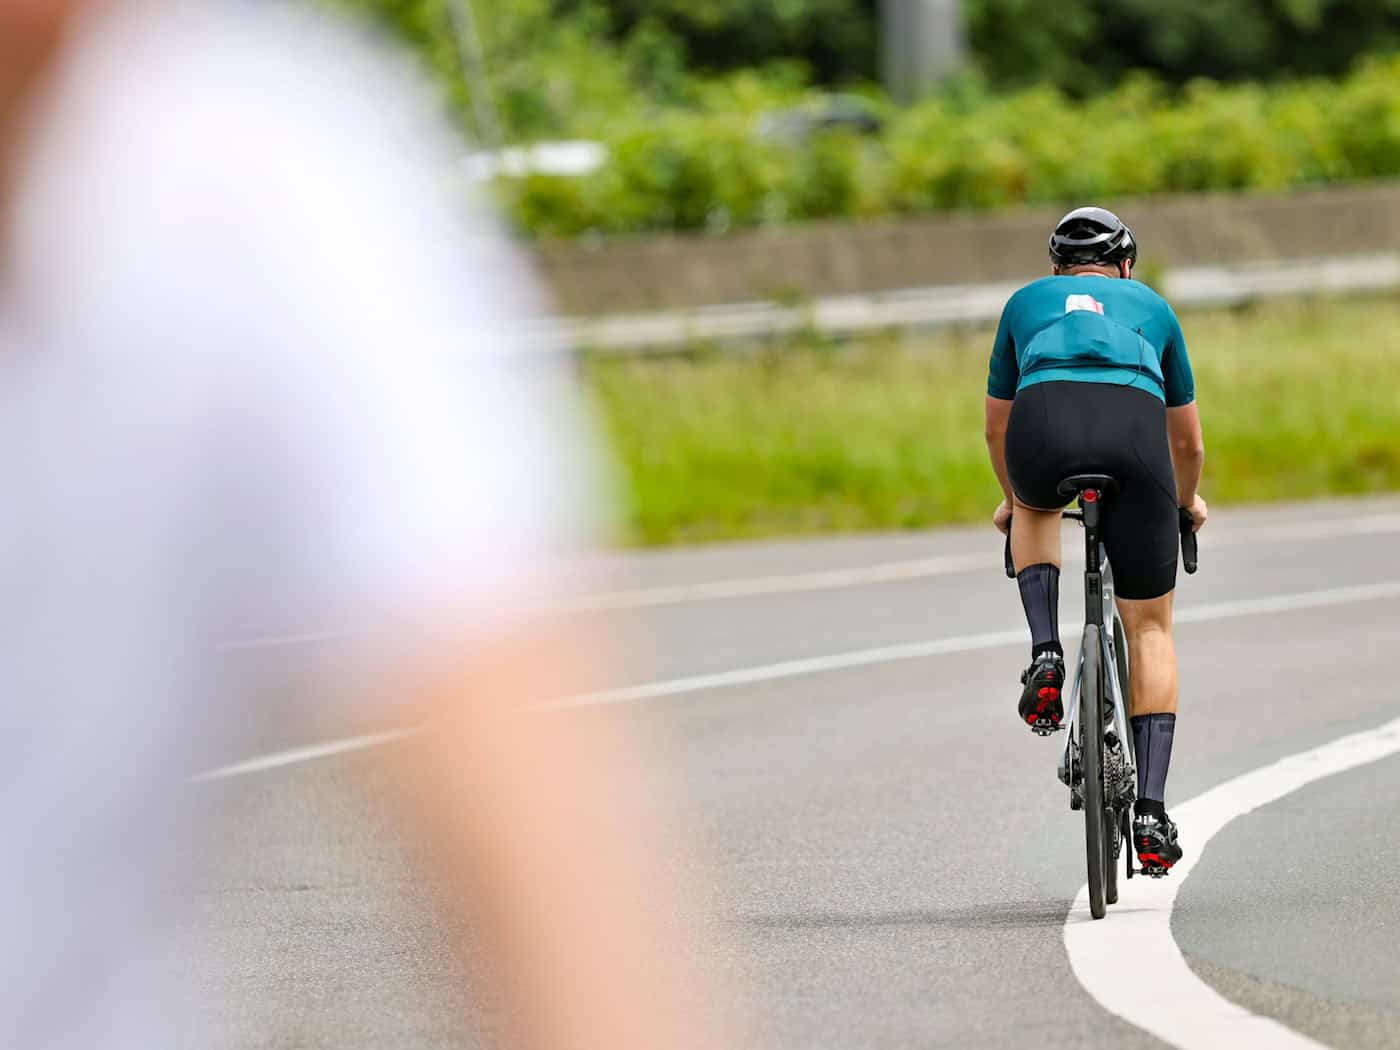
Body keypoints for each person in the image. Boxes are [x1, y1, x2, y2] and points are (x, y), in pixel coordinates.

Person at [0, 2, 711, 1048]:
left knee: (1023, 516)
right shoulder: (259, 164)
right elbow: (546, 845)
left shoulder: (243, 175)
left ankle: (1039, 645)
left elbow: (998, 425)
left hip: (1034, 456)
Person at [984, 206, 1207, 875]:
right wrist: (1186, 502)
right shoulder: (1152, 306)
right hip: (1135, 440)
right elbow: (1187, 439)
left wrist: (1013, 494)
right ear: (1126, 265)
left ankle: (1046, 653)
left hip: (1042, 429)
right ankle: (1149, 813)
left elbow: (998, 430)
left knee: (1035, 506)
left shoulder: (1025, 303)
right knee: (1151, 631)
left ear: (1055, 267)